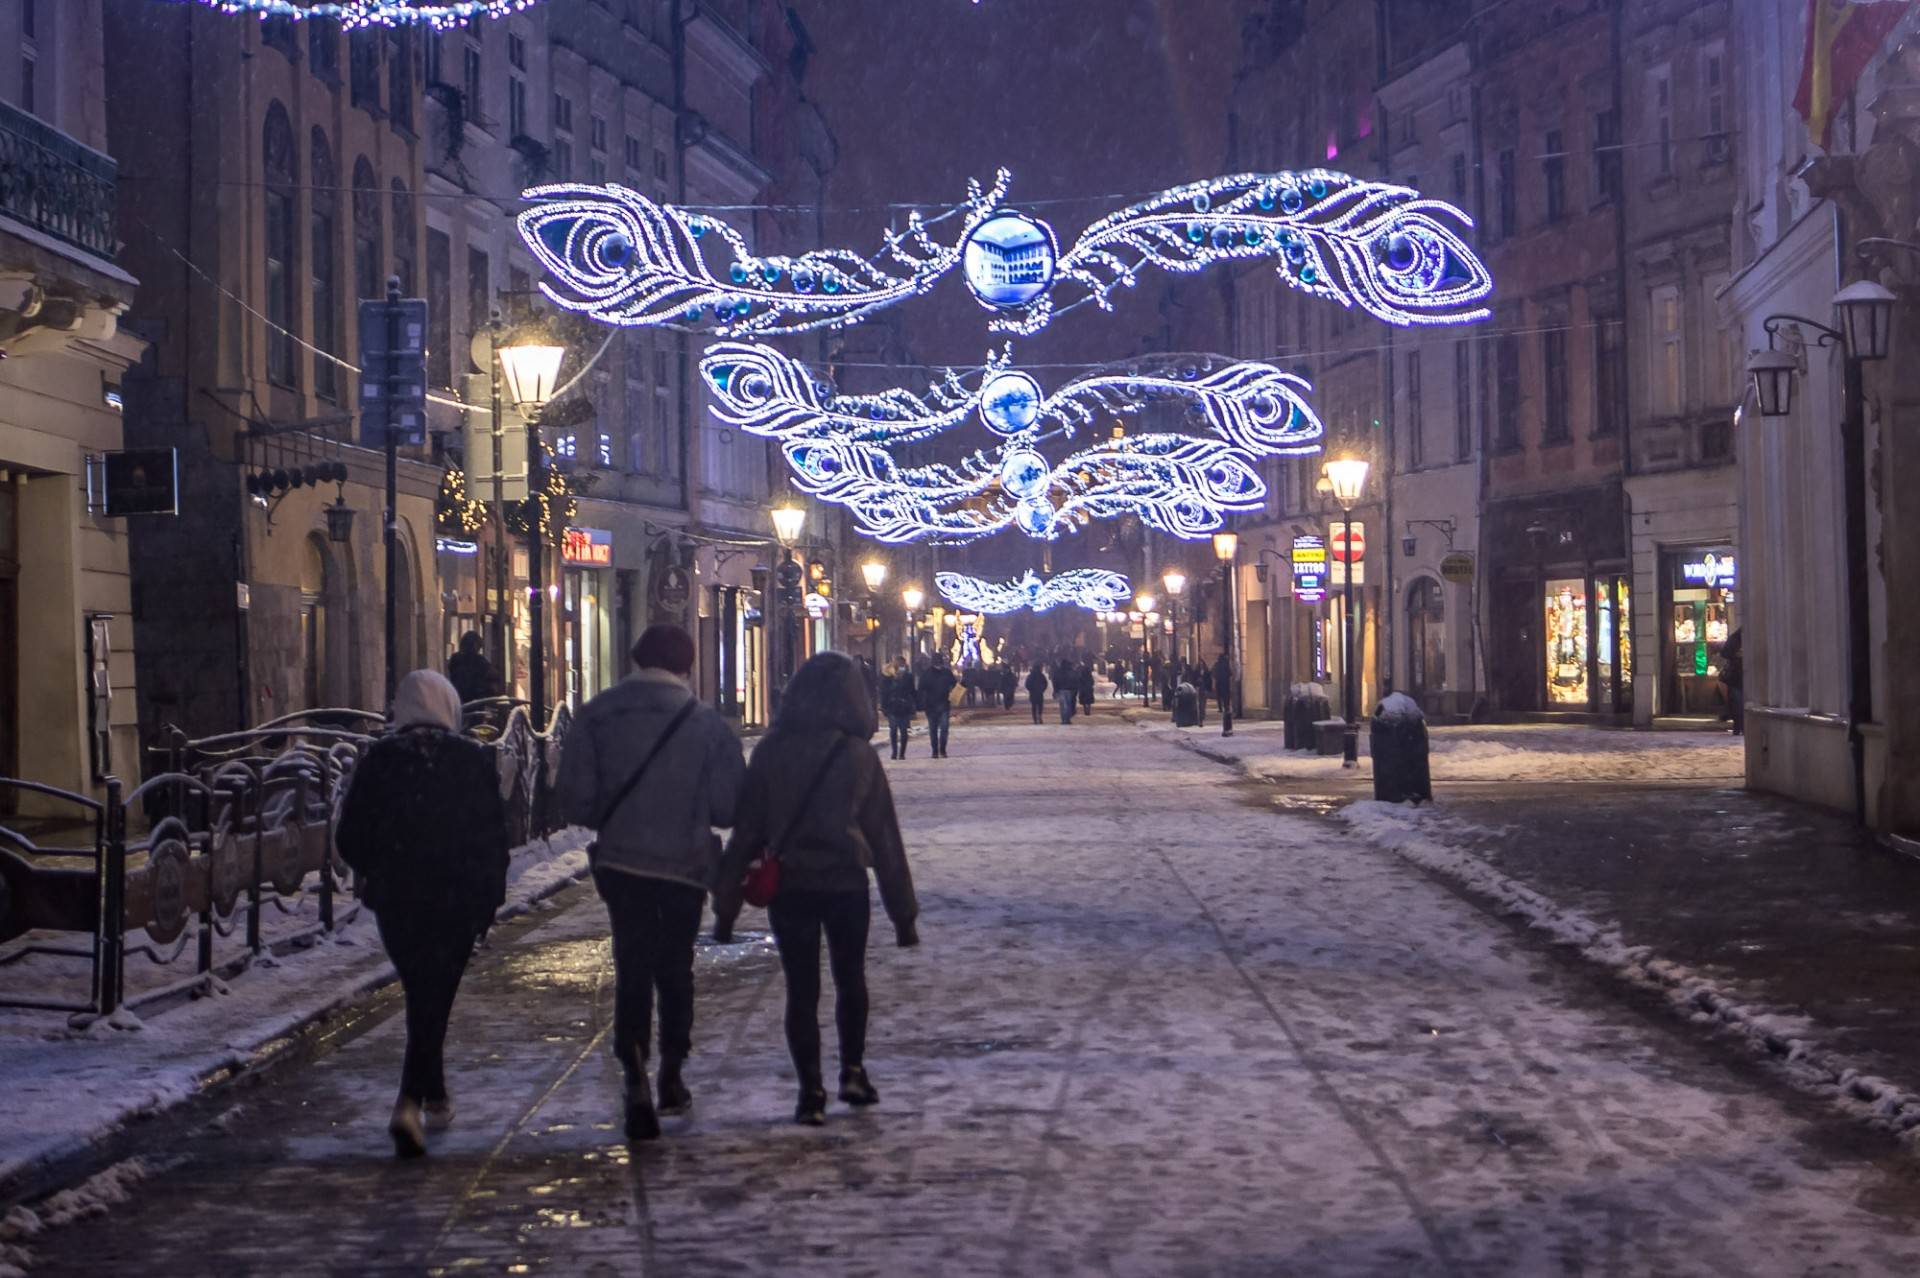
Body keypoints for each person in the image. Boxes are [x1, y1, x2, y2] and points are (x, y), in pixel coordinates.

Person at [557, 624, 745, 1142]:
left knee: (631, 962)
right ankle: (672, 1071)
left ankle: (633, 1062)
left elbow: (574, 798)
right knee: (676, 965)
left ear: (637, 659)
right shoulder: (707, 724)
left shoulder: (597, 713)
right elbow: (729, 806)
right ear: (686, 665)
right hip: (684, 865)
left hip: (622, 864)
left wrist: (618, 816)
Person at [713, 653, 918, 1126]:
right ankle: (852, 1070)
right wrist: (902, 913)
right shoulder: (857, 755)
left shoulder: (770, 752)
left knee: (800, 989)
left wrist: (725, 906)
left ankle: (809, 1091)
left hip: (791, 885)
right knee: (851, 981)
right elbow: (884, 836)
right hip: (845, 881)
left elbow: (746, 833)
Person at [336, 669, 509, 1159]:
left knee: (422, 992)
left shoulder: (380, 761)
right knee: (433, 996)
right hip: (456, 898)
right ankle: (408, 1103)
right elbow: (493, 836)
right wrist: (488, 896)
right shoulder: (470, 760)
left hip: (400, 899)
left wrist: (380, 869)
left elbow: (349, 837)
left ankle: (433, 1095)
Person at [445, 631, 498, 709]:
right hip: (477, 701)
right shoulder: (480, 661)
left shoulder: (455, 658)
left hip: (458, 699)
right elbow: (494, 676)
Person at [919, 654, 957, 757]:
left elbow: (954, 685)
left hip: (942, 704)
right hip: (931, 705)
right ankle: (936, 750)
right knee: (934, 729)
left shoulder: (946, 673)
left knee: (943, 728)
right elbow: (921, 689)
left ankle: (942, 749)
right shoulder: (928, 674)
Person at [881, 662, 917, 759]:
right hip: (892, 708)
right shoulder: (887, 679)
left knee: (903, 731)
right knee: (893, 730)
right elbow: (883, 693)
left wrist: (913, 705)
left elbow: (912, 692)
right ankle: (894, 752)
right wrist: (884, 707)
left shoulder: (907, 677)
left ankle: (901, 753)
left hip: (904, 707)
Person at [1720, 627, 1745, 736]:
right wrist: (1736, 655)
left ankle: (1739, 726)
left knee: (1737, 702)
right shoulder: (1735, 639)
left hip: (1737, 677)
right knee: (1737, 702)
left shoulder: (1735, 638)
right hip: (1736, 677)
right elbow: (1725, 652)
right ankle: (1739, 726)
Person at [1213, 650, 1236, 737]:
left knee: (1219, 697)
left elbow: (1214, 674)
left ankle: (1221, 707)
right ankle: (1226, 708)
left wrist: (1214, 684)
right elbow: (1230, 674)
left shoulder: (1217, 665)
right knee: (1226, 697)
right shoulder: (1226, 665)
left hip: (1219, 683)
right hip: (1225, 684)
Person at [1054, 658, 1078, 724]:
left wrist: (1055, 690)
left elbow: (1055, 681)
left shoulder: (1058, 672)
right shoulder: (1071, 671)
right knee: (1068, 704)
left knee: (1062, 705)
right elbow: (1075, 680)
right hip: (1069, 690)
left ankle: (1064, 719)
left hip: (1061, 690)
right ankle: (1067, 719)